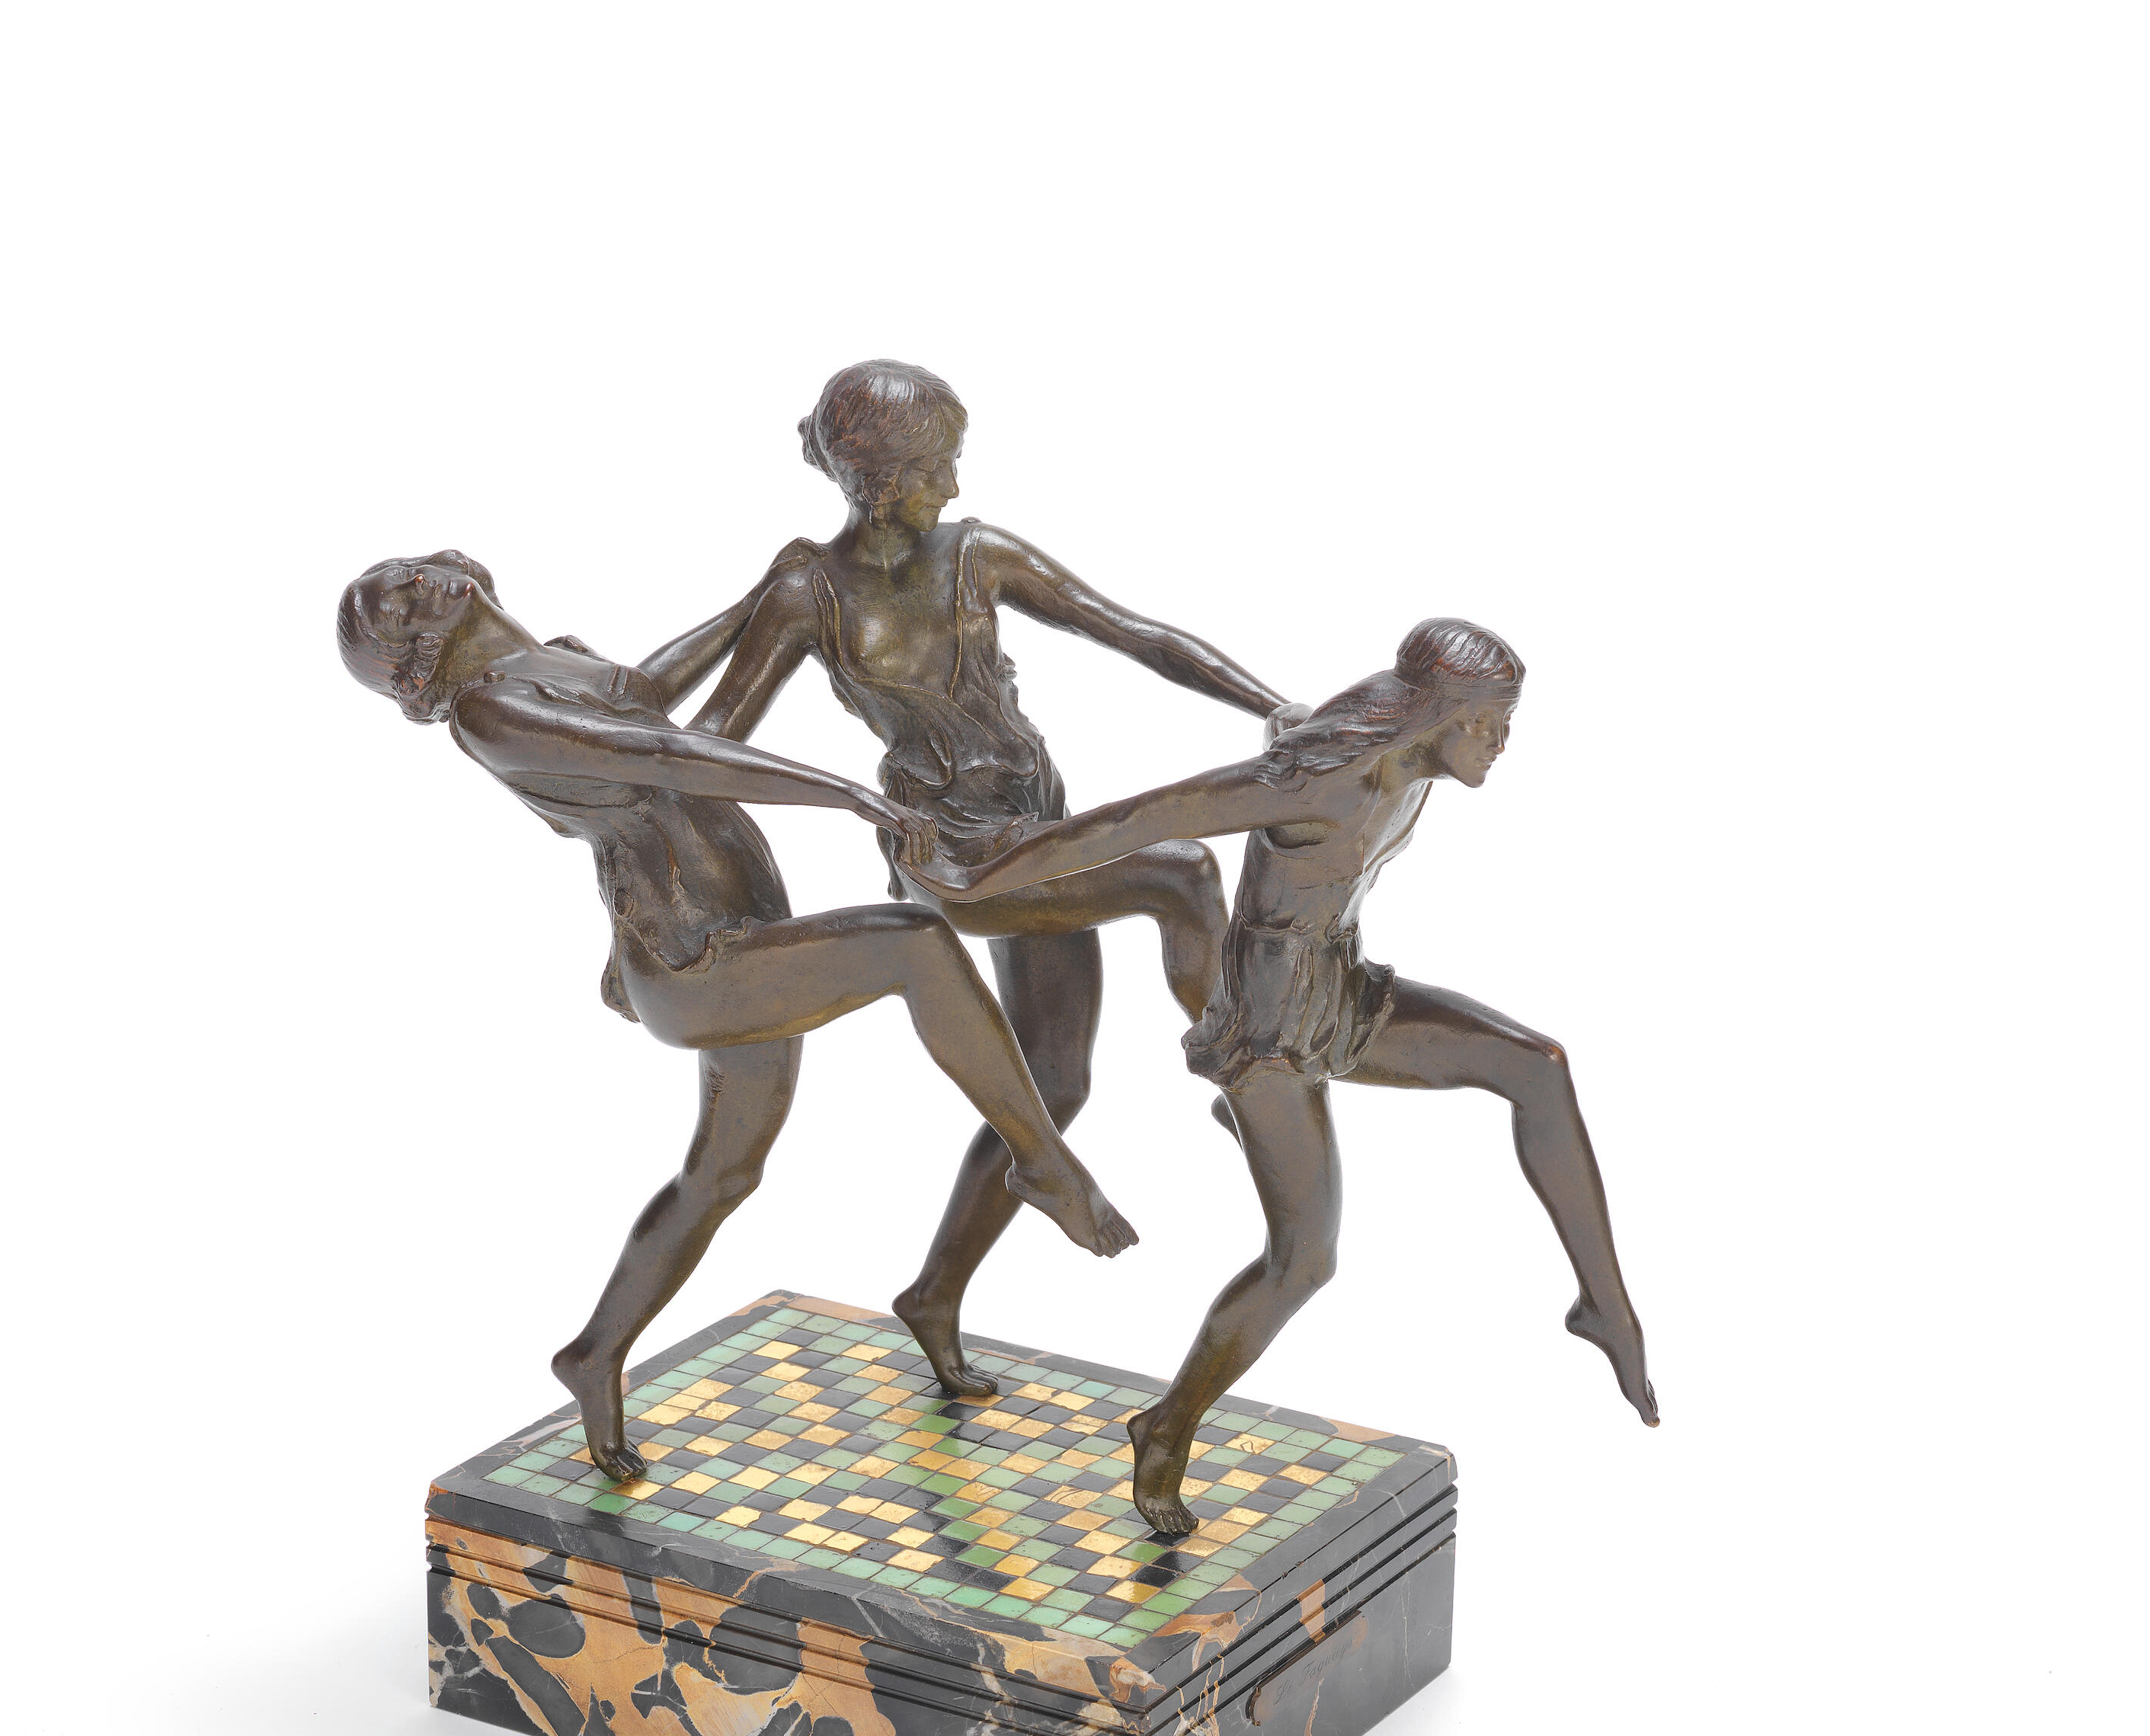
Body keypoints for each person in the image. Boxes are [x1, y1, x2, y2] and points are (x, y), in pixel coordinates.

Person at [337, 549, 1135, 1482]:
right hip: (697, 959)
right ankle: (1043, 1163)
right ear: (413, 657)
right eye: (398, 608)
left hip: (739, 925)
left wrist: (762, 596)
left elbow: (645, 695)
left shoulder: (551, 660)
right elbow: (668, 755)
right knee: (914, 943)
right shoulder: (490, 713)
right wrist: (850, 795)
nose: (417, 585)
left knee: (721, 1175)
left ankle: (593, 1353)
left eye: (405, 575)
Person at [911, 617, 1655, 1535]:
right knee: (1304, 1260)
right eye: (1489, 723)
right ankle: (1164, 1429)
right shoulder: (1314, 780)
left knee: (1536, 1066)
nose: (1501, 743)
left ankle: (1603, 1307)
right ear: (1439, 715)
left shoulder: (1400, 757)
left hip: (1341, 990)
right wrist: (976, 878)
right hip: (1268, 1031)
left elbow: (1301, 722)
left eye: (1507, 722)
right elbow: (1134, 823)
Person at [678, 360, 1297, 1394]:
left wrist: (1275, 707)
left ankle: (933, 1294)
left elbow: (1136, 634)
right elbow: (707, 750)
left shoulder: (977, 554)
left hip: (1037, 825)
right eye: (938, 469)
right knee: (1183, 873)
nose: (955, 488)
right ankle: (1237, 1069)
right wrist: (668, 883)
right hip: (954, 853)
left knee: (1059, 1083)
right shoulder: (807, 591)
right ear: (882, 480)